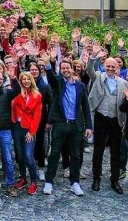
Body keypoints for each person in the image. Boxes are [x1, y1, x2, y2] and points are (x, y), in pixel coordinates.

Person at [44, 58, 92, 197]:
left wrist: (88, 126)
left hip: (75, 125)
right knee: (54, 153)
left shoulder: (80, 86)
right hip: (60, 124)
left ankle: (74, 182)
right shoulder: (58, 83)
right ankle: (49, 182)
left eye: (67, 68)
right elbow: (51, 78)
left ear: (72, 69)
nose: (65, 70)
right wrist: (48, 64)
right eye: (63, 68)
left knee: (76, 155)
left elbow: (85, 107)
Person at [86, 52, 128, 194]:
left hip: (116, 119)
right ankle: (96, 177)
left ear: (117, 68)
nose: (110, 68)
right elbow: (89, 69)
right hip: (101, 116)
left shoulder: (123, 83)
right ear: (104, 66)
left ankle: (114, 179)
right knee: (98, 149)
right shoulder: (98, 76)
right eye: (108, 66)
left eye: (113, 66)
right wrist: (93, 56)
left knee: (115, 151)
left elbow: (125, 102)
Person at [11, 71, 43, 195]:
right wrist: (21, 94)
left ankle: (33, 181)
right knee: (19, 155)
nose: (25, 81)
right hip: (17, 127)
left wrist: (32, 132)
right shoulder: (18, 94)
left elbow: (37, 115)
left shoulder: (37, 95)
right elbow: (13, 104)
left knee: (29, 155)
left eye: (27, 79)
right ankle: (23, 177)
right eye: (23, 79)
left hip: (29, 128)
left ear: (31, 80)